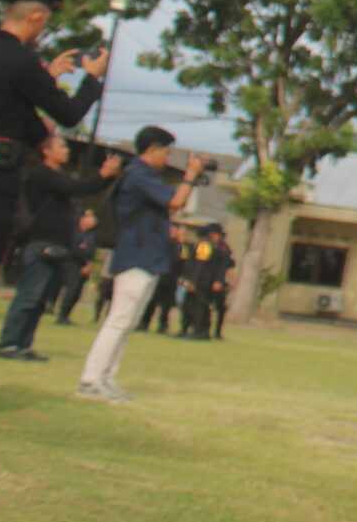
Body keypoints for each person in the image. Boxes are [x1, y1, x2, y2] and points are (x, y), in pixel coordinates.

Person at [0, 0, 108, 425]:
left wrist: (47, 77)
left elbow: (27, 123)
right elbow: (66, 116)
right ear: (37, 17)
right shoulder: (22, 62)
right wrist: (90, 80)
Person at [78, 127, 206, 404]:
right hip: (136, 253)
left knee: (128, 322)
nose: (167, 157)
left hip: (148, 254)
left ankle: (106, 377)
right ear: (151, 150)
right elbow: (175, 200)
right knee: (119, 320)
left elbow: (169, 207)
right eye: (166, 151)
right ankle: (91, 379)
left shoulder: (147, 177)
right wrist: (191, 175)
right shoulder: (138, 175)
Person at [0, 133, 121, 361]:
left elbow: (78, 187)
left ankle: (23, 344)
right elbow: (75, 188)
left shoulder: (59, 176)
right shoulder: (43, 174)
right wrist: (102, 175)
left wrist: (104, 178)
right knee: (29, 296)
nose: (66, 151)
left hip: (56, 245)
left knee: (40, 299)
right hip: (40, 242)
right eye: (61, 147)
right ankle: (9, 343)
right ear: (47, 150)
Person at [179, 222, 231, 339]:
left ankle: (200, 331)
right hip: (204, 280)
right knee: (197, 305)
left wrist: (192, 281)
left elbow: (200, 265)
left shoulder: (205, 246)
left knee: (199, 306)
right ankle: (195, 330)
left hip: (201, 281)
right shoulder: (210, 245)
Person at [51, 211, 98, 325]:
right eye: (88, 217)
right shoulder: (74, 233)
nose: (92, 220)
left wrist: (89, 264)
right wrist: (86, 262)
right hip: (73, 264)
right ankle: (62, 315)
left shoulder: (90, 236)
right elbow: (76, 250)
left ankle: (67, 314)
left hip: (84, 266)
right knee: (71, 289)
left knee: (77, 291)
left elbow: (91, 252)